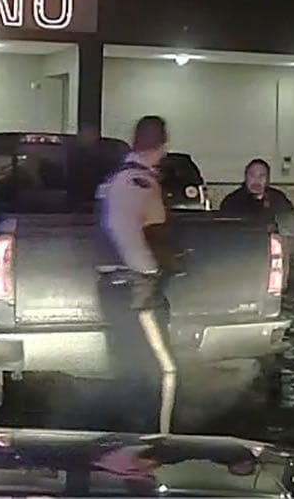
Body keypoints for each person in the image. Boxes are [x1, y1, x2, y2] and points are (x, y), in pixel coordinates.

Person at [97, 115, 180, 434]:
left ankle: (123, 450)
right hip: (136, 289)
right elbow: (126, 231)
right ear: (160, 144)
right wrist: (149, 270)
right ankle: (153, 444)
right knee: (163, 371)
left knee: (129, 369)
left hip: (117, 286)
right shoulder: (136, 181)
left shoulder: (117, 178)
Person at [220, 158, 294, 269]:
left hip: (270, 257)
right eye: (252, 175)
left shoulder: (276, 199)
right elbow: (221, 233)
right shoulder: (232, 201)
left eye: (262, 176)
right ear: (245, 176)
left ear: (268, 179)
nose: (256, 180)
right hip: (238, 258)